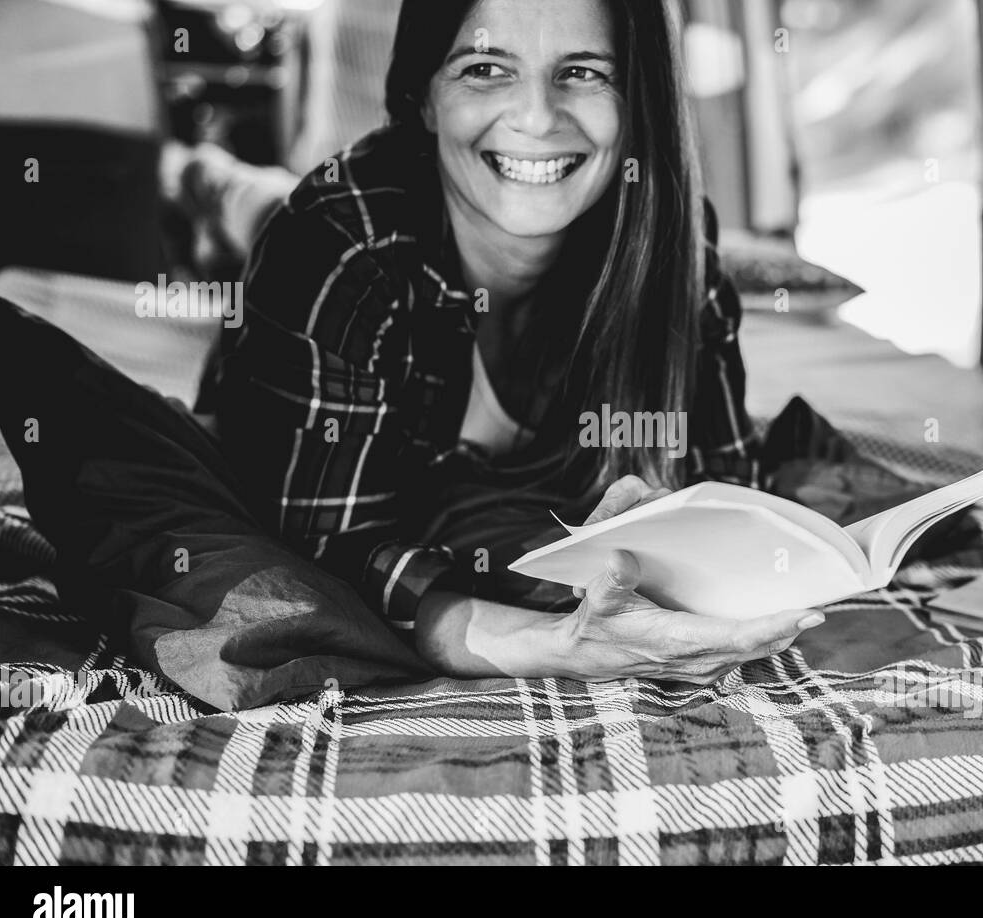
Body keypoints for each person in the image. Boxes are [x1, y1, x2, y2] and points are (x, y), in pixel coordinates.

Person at [210, 0, 825, 685]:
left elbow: (724, 489)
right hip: (299, 250)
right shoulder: (336, 245)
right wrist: (555, 642)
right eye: (484, 68)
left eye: (585, 73)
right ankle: (200, 180)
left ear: (638, 100)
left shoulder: (674, 247)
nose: (536, 117)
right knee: (240, 202)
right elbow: (313, 557)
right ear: (422, 98)